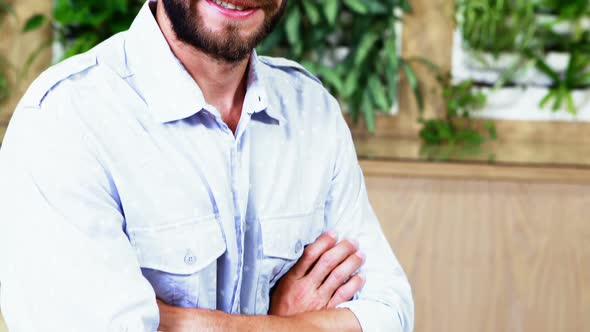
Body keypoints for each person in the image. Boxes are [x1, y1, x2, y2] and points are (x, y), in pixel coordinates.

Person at [0, 0, 414, 330]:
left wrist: (172, 320)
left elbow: (389, 312)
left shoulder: (313, 111)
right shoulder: (65, 118)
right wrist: (283, 323)